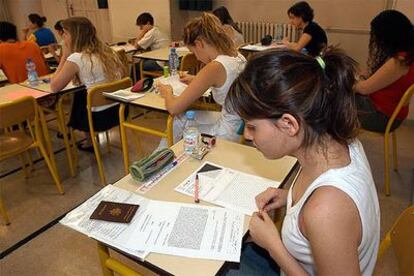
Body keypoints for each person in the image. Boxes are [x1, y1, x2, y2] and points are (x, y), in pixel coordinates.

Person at [223, 48, 380, 275]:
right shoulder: (341, 142)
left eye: (252, 126)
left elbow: (329, 212)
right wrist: (290, 198)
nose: (247, 135)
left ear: (289, 124)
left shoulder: (327, 209)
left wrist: (273, 246)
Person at [156, 13, 246, 149]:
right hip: (240, 125)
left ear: (199, 44)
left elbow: (173, 108)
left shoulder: (215, 66)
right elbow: (227, 85)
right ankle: (159, 158)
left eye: (193, 52)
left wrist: (167, 92)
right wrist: (195, 80)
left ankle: (157, 161)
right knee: (183, 118)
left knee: (178, 119)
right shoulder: (237, 56)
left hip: (227, 132)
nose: (197, 58)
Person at [50, 17, 127, 151]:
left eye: (65, 34)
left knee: (80, 96)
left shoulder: (76, 58)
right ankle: (86, 139)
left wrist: (64, 57)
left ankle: (82, 136)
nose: (63, 39)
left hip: (98, 118)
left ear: (75, 35)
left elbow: (54, 87)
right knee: (82, 94)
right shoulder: (107, 52)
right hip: (120, 111)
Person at [354, 10, 414, 133]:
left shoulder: (399, 61)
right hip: (390, 113)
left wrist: (348, 82)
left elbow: (364, 89)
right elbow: (375, 77)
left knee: (335, 101)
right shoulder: (408, 56)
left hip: (382, 117)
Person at [133, 12, 169, 79]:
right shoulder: (158, 29)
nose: (141, 28)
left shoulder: (151, 32)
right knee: (144, 61)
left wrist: (142, 33)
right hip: (168, 61)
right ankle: (148, 82)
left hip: (160, 63)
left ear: (148, 23)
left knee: (136, 66)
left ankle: (138, 86)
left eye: (142, 26)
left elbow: (136, 46)